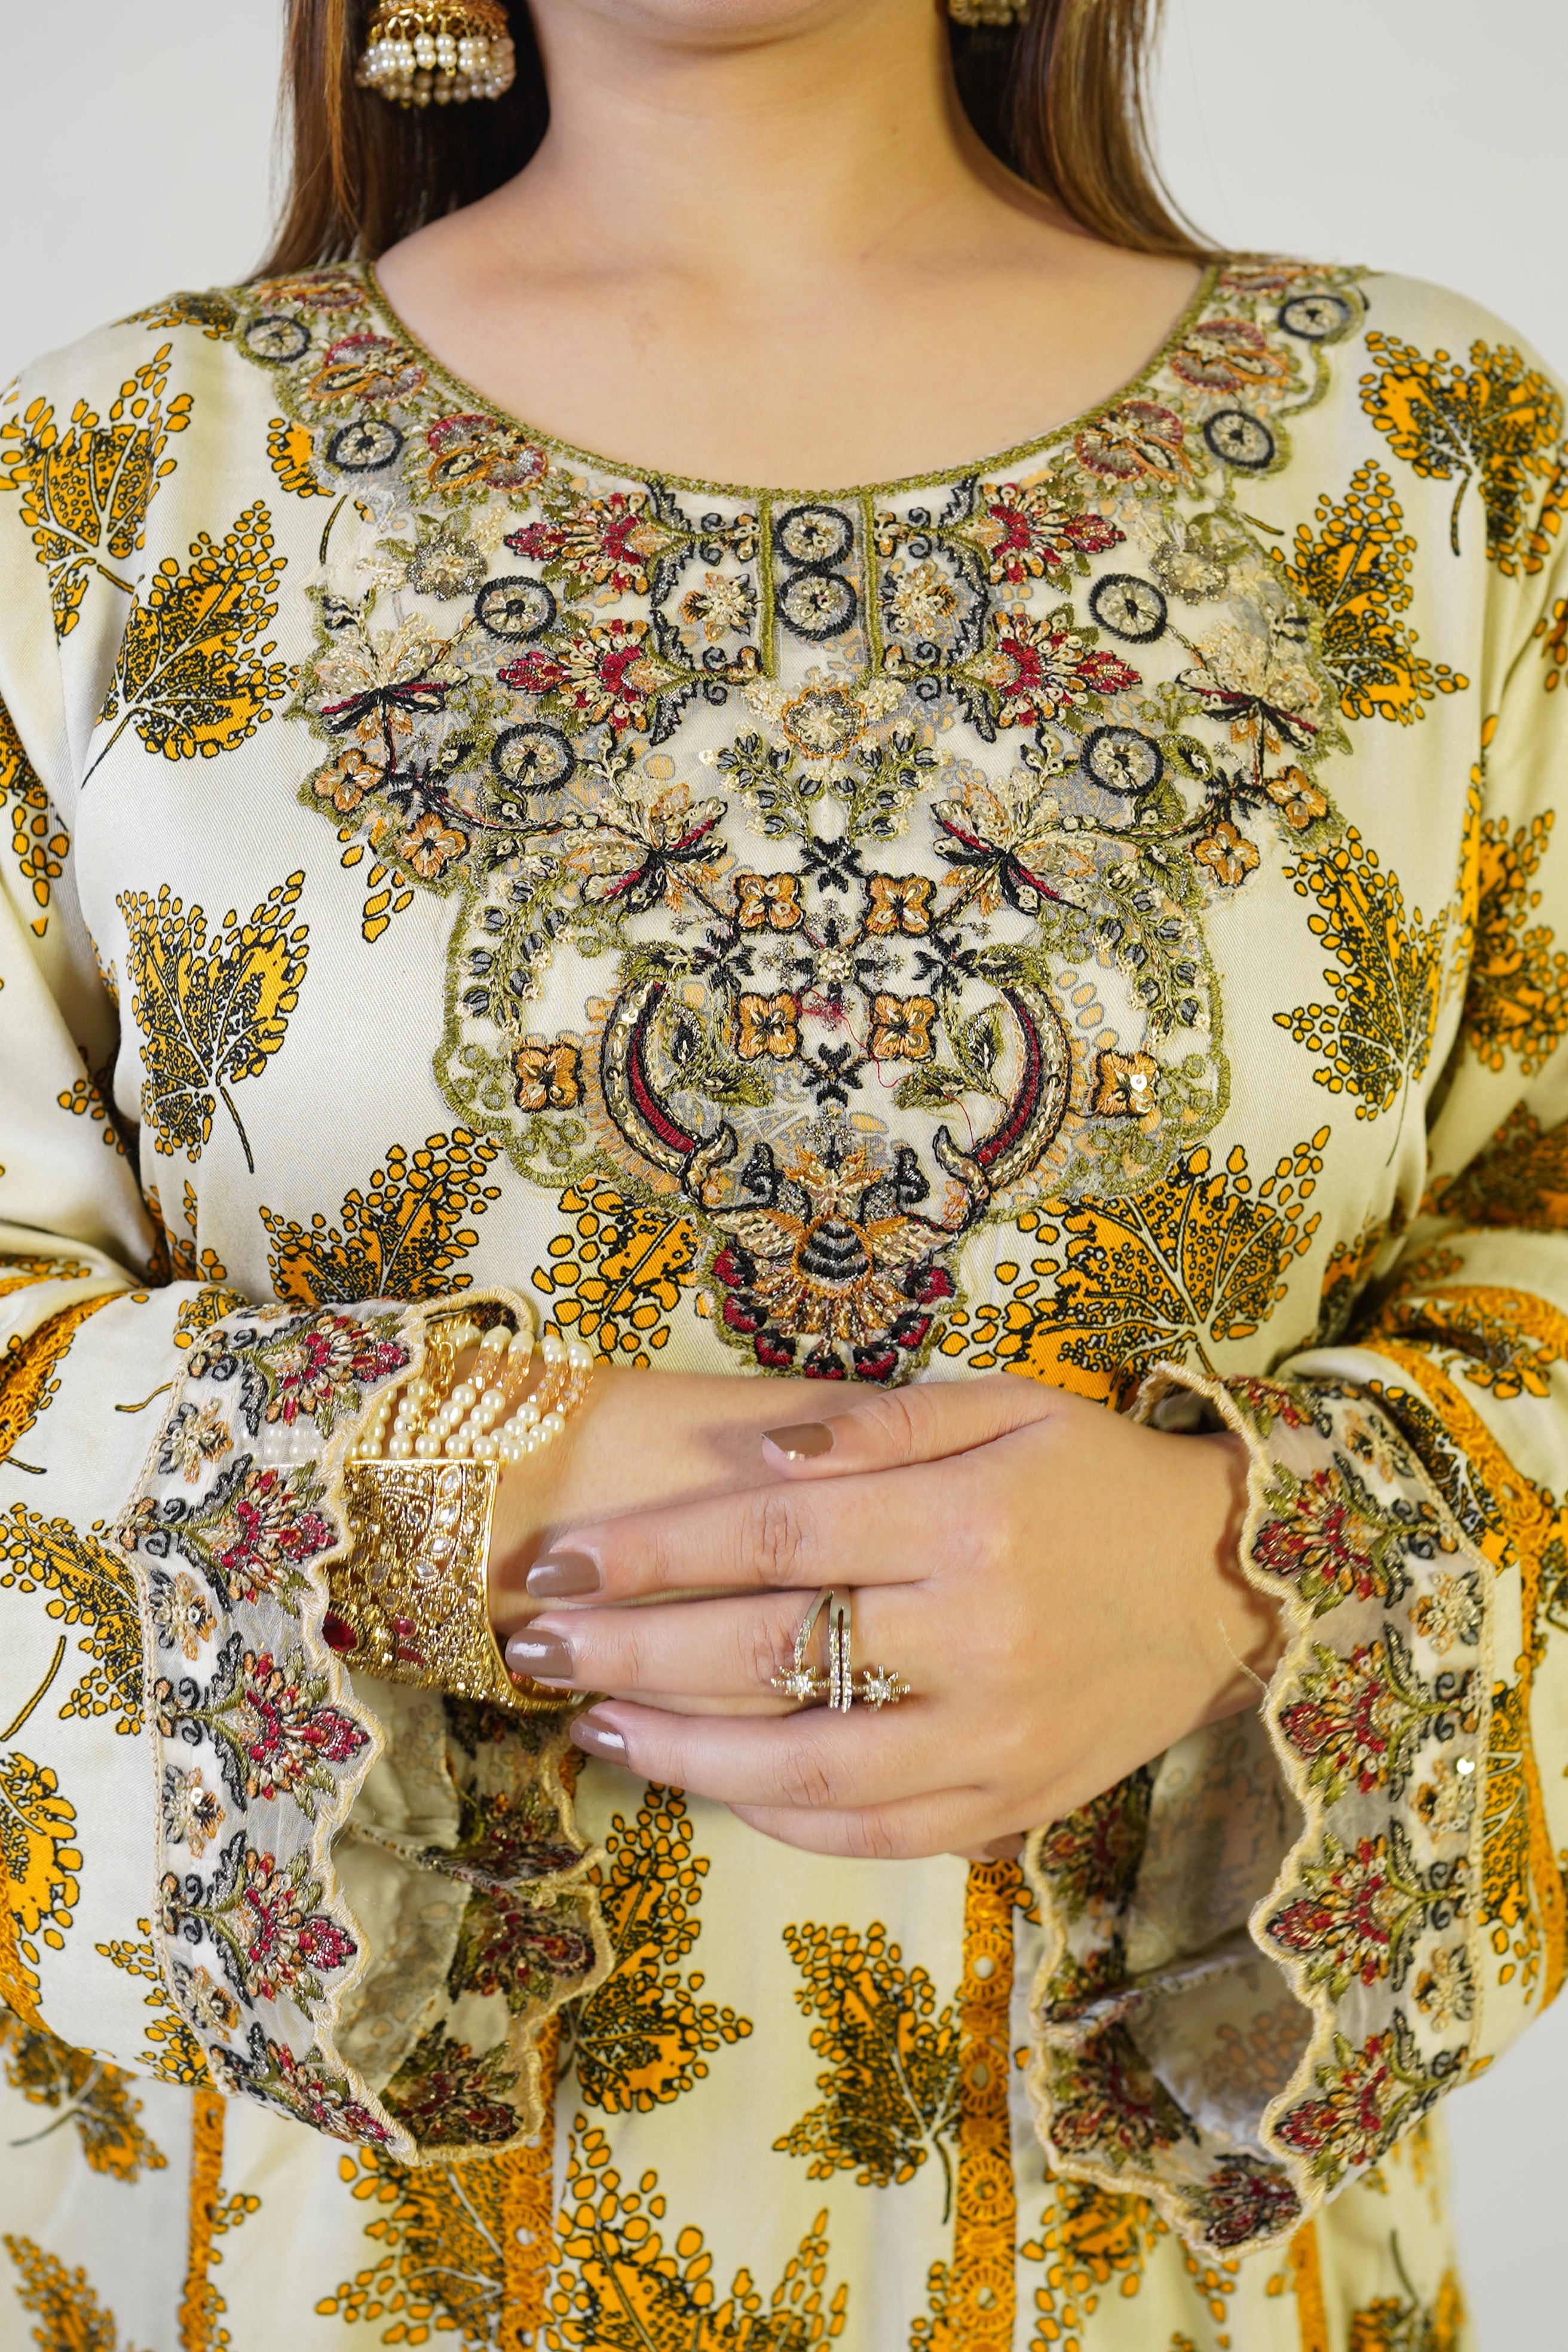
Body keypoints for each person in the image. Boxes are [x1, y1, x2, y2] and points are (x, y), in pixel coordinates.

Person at [1, 0, 1563, 2342]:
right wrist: (438, 1490)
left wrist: (1257, 1571)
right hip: (308, 2260)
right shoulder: (122, 474)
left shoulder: (1419, 457)